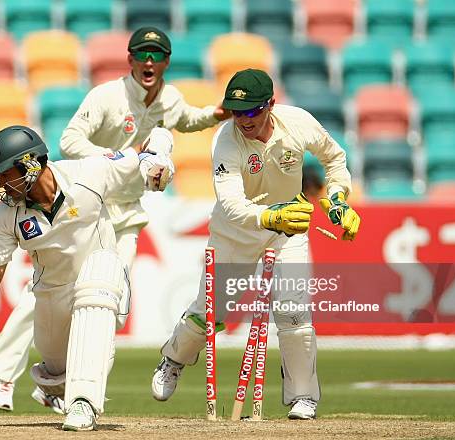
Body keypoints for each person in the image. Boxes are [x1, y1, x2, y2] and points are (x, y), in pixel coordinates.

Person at [0, 25, 232, 411]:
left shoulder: (170, 99)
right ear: (130, 60)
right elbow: (69, 142)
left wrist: (217, 113)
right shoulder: (107, 97)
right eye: (142, 54)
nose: (149, 61)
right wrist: (121, 157)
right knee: (50, 291)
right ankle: (2, 375)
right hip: (88, 202)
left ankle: (59, 384)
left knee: (108, 302)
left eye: (157, 55)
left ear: (166, 62)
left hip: (126, 214)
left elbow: (187, 120)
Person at [0, 125, 170, 431]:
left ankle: (84, 405)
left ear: (31, 164)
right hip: (52, 297)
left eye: (6, 173)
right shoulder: (8, 216)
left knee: (97, 288)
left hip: (105, 281)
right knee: (57, 372)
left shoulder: (89, 174)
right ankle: (56, 387)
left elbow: (143, 151)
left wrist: (159, 154)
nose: (1, 183)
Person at [150, 69, 361, 419]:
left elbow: (334, 159)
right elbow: (232, 204)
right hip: (235, 233)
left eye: (251, 111)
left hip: (287, 234)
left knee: (294, 313)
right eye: (236, 111)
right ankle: (173, 359)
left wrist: (338, 198)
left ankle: (303, 397)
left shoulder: (297, 122)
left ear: (270, 106)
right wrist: (270, 216)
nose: (243, 119)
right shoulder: (226, 140)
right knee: (211, 313)